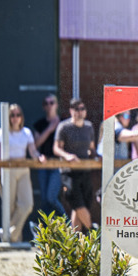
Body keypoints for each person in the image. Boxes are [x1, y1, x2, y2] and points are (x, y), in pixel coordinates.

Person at [0, 104, 44, 243]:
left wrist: (39, 157)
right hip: (7, 170)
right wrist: (1, 173)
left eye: (18, 115)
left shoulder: (26, 132)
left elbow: (33, 151)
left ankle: (9, 233)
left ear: (21, 117)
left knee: (27, 204)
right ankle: (14, 239)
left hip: (23, 170)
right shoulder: (2, 132)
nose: (15, 118)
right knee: (9, 206)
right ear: (8, 117)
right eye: (12, 115)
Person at [53, 98, 96, 233]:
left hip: (85, 170)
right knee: (76, 201)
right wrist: (67, 156)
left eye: (82, 109)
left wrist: (96, 156)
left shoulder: (88, 127)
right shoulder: (64, 127)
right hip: (69, 172)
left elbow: (92, 148)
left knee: (80, 207)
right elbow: (56, 148)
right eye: (77, 109)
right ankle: (94, 232)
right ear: (71, 111)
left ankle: (75, 241)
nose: (80, 112)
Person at [32, 95, 64, 216]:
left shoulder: (63, 123)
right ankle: (48, 231)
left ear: (57, 105)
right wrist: (50, 128)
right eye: (46, 103)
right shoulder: (39, 124)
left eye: (52, 102)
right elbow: (36, 144)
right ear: (43, 107)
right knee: (45, 200)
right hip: (44, 164)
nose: (49, 105)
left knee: (52, 198)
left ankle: (68, 225)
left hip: (58, 165)